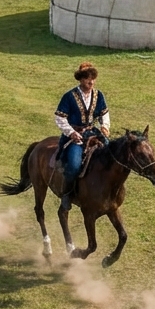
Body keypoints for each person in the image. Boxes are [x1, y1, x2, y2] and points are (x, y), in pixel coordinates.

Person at [54, 62, 111, 209]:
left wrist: (105, 126)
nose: (91, 82)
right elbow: (60, 118)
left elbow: (104, 113)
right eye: (87, 78)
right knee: (73, 165)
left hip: (93, 133)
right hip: (75, 137)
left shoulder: (98, 95)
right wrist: (71, 133)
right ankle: (67, 195)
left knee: (111, 154)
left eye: (93, 78)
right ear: (80, 79)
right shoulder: (69, 96)